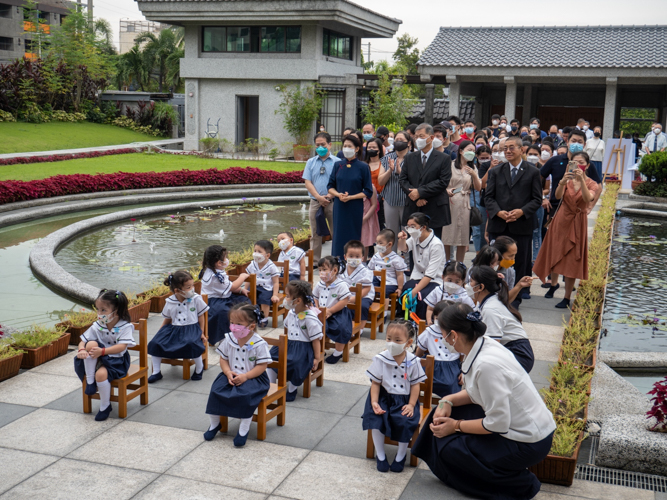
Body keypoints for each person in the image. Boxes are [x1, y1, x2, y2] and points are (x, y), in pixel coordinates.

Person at [412, 303, 556, 500]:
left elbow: (497, 423)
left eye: (442, 334)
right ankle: (455, 463)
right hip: (517, 424)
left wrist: (456, 426)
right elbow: (477, 393)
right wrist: (448, 400)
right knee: (441, 415)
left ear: (453, 336)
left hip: (529, 442)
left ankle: (521, 485)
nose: (441, 340)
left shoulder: (487, 364)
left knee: (454, 448)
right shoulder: (482, 344)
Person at [534, 152, 598, 309]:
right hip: (561, 219)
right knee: (555, 252)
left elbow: (587, 198)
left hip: (577, 222)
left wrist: (581, 180)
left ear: (587, 165)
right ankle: (553, 284)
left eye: (581, 162)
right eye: (574, 162)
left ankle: (567, 296)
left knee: (572, 260)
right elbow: (557, 195)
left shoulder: (592, 184)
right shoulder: (567, 181)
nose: (578, 165)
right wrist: (562, 181)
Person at [484, 136, 542, 306]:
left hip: (521, 224)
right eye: (505, 148)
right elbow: (488, 197)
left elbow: (537, 199)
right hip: (499, 223)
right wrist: (498, 212)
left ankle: (516, 296)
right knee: (495, 259)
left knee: (521, 261)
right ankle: (494, 291)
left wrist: (521, 212)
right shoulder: (495, 171)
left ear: (521, 149)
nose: (508, 151)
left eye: (512, 148)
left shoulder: (533, 172)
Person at [362, 319, 426, 473]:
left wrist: (411, 404)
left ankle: (401, 455)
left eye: (397, 340)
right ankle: (381, 455)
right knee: (375, 418)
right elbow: (375, 383)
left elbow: (415, 385)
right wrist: (374, 402)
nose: (391, 343)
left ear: (408, 342)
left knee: (404, 420)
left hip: (404, 399)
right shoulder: (380, 359)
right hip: (383, 398)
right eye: (389, 339)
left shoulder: (413, 361)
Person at [204, 303, 271, 446]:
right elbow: (223, 359)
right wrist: (227, 372)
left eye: (239, 324)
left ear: (251, 326)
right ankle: (215, 424)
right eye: (232, 323)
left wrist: (246, 376)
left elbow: (262, 366)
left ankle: (243, 429)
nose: (234, 327)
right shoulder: (229, 340)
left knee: (245, 396)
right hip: (230, 374)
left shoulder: (259, 344)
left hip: (253, 378)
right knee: (216, 391)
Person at [74, 289, 135, 421]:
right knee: (89, 344)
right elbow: (82, 342)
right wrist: (81, 350)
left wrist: (102, 351)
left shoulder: (125, 327)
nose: (99, 314)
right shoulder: (98, 325)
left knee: (101, 375)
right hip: (97, 359)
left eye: (103, 310)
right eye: (98, 309)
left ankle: (105, 406)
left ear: (116, 311)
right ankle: (90, 381)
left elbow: (121, 347)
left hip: (116, 361)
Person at [467, 266, 535, 372]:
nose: (467, 285)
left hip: (518, 354)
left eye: (471, 281)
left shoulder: (490, 309)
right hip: (513, 351)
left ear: (480, 287)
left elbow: (493, 346)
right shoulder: (487, 301)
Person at [148, 270, 209, 384]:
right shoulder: (170, 301)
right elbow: (167, 319)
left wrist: (201, 333)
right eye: (188, 287)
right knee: (155, 343)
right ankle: (156, 372)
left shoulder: (196, 299)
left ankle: (199, 369)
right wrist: (160, 333)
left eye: (192, 286)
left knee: (191, 344)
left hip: (191, 328)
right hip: (174, 329)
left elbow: (201, 317)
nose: (192, 289)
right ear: (177, 290)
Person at [268, 281, 323, 401]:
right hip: (289, 344)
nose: (285, 299)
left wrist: (317, 358)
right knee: (270, 357)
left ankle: (292, 389)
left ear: (298, 301)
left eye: (287, 296)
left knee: (297, 363)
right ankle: (271, 387)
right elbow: (287, 330)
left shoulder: (310, 318)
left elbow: (315, 340)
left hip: (303, 347)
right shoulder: (291, 313)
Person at [398, 123, 452, 240]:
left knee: (433, 244)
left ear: (431, 138)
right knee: (412, 245)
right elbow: (403, 179)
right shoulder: (410, 157)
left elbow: (443, 182)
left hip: (434, 207)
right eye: (416, 137)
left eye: (421, 136)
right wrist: (415, 195)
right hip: (413, 206)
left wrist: (420, 192)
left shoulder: (444, 158)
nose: (418, 139)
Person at [540, 129, 601, 224]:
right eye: (573, 141)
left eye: (580, 142)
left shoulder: (588, 165)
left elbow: (598, 186)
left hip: (578, 209)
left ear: (584, 145)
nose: (576, 144)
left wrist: (590, 207)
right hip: (556, 206)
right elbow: (538, 178)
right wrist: (543, 197)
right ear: (567, 142)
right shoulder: (554, 161)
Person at [328, 134, 373, 258]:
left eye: (350, 146)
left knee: (353, 235)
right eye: (345, 146)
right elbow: (330, 186)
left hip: (355, 207)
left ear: (357, 149)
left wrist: (351, 197)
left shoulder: (363, 167)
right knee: (338, 236)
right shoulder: (338, 165)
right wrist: (338, 195)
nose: (346, 148)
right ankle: (337, 261)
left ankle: (353, 262)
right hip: (339, 206)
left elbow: (368, 191)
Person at [397, 212, 446, 319]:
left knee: (422, 297)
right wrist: (402, 239)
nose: (410, 229)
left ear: (423, 227)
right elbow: (403, 248)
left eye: (413, 227)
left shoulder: (436, 245)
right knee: (405, 292)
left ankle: (421, 323)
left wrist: (414, 292)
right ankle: (406, 319)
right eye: (408, 227)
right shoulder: (415, 238)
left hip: (433, 280)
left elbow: (429, 275)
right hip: (417, 276)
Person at [199, 245, 250, 345]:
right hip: (214, 301)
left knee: (244, 303)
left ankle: (241, 330)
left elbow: (226, 286)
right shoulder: (216, 276)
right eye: (225, 258)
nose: (227, 260)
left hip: (218, 297)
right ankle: (225, 337)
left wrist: (240, 290)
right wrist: (242, 277)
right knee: (226, 313)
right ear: (219, 263)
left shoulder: (209, 270)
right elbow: (232, 286)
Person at [441, 140, 481, 263]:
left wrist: (474, 175)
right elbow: (443, 184)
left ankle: (460, 264)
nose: (472, 153)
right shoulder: (450, 165)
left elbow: (478, 188)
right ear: (461, 151)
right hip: (450, 201)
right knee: (447, 234)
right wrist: (447, 191)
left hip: (465, 203)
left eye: (473, 151)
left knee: (463, 236)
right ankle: (447, 263)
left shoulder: (473, 168)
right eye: (469, 150)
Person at [302, 132, 340, 262]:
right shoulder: (311, 162)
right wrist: (318, 197)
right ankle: (315, 261)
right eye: (317, 145)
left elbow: (340, 181)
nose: (320, 147)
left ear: (329, 145)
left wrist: (330, 195)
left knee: (336, 232)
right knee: (315, 233)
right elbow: (308, 182)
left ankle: (336, 258)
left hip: (333, 202)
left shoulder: (337, 162)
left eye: (323, 144)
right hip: (315, 202)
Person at [416, 300, 461, 398]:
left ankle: (450, 403)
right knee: (412, 378)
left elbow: (463, 354)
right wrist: (415, 361)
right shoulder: (429, 331)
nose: (440, 321)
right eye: (437, 318)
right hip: (432, 365)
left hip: (451, 366)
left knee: (450, 385)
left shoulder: (458, 332)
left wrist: (464, 371)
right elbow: (419, 351)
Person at [314, 256, 353, 365]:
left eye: (324, 270)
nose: (321, 273)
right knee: (314, 326)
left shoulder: (341, 285)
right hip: (321, 312)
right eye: (320, 270)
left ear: (334, 270)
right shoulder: (319, 284)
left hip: (338, 312)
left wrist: (330, 311)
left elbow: (344, 300)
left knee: (341, 328)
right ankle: (319, 350)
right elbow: (315, 297)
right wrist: (317, 308)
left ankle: (338, 352)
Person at [379, 131, 410, 250]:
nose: (399, 142)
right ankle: (391, 260)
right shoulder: (387, 158)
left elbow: (415, 181)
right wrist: (390, 171)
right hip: (390, 200)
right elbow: (381, 181)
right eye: (397, 139)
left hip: (407, 201)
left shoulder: (413, 158)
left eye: (402, 140)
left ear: (408, 143)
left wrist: (400, 172)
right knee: (391, 232)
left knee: (406, 233)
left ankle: (407, 263)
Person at [424, 261, 475, 325]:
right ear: (442, 277)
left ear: (463, 280)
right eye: (449, 280)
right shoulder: (437, 291)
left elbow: (472, 312)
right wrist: (429, 322)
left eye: (457, 282)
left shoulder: (464, 295)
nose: (452, 284)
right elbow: (430, 309)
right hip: (438, 325)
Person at [340, 240, 374, 331]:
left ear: (362, 258)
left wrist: (355, 298)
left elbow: (367, 288)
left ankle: (360, 328)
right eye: (351, 256)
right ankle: (343, 323)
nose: (354, 259)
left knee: (362, 306)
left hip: (364, 296)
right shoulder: (341, 269)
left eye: (357, 256)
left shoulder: (366, 272)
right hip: (345, 296)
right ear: (345, 257)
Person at [245, 240, 280, 325]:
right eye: (255, 251)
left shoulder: (271, 267)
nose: (256, 253)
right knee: (248, 298)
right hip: (254, 286)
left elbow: (275, 282)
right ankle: (251, 317)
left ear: (267, 255)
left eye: (259, 251)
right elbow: (248, 278)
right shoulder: (252, 264)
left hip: (266, 288)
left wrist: (275, 294)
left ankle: (264, 319)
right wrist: (245, 289)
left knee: (264, 300)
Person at [368, 228, 407, 300]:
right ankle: (371, 305)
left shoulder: (396, 259)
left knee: (384, 291)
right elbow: (370, 270)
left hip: (390, 282)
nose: (377, 245)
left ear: (389, 244)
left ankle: (384, 310)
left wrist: (400, 288)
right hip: (377, 279)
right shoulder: (376, 256)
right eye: (377, 243)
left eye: (380, 243)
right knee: (369, 287)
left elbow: (400, 274)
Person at [362, 138, 382, 257]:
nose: (371, 150)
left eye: (374, 147)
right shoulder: (364, 164)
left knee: (370, 232)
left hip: (378, 202)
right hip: (362, 207)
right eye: (369, 147)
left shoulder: (383, 163)